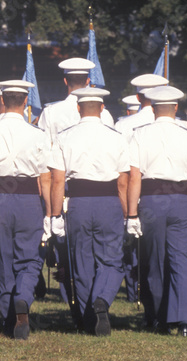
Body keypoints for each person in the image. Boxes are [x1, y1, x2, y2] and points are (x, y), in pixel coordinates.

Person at [125, 85, 187, 337]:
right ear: (176, 108)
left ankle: (159, 318)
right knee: (182, 260)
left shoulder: (139, 135)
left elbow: (134, 178)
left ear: (152, 108)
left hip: (152, 200)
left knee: (154, 260)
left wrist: (132, 214)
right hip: (183, 200)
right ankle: (184, 320)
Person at [48, 88, 128, 336]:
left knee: (81, 262)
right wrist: (127, 214)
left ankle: (85, 319)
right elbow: (123, 182)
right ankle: (102, 299)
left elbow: (57, 181)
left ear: (78, 108)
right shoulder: (117, 137)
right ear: (102, 109)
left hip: (79, 203)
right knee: (112, 260)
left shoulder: (64, 137)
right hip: (108, 202)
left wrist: (55, 214)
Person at [0, 80, 50, 339]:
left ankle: (10, 317)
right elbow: (45, 178)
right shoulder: (38, 134)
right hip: (29, 199)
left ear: (1, 101)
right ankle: (23, 299)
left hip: (0, 200)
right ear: (26, 102)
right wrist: (50, 212)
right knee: (29, 257)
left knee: (2, 261)